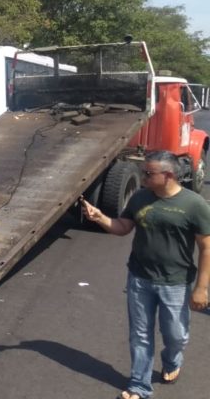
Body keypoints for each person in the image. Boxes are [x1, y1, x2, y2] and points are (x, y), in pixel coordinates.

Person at [81, 151, 210, 399]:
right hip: (139, 278)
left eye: (148, 174)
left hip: (175, 283)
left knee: (176, 335)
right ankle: (139, 386)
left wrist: (201, 288)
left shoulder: (194, 205)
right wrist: (100, 217)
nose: (143, 178)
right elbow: (123, 228)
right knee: (140, 335)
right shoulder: (140, 198)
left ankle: (172, 360)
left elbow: (206, 247)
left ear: (169, 176)